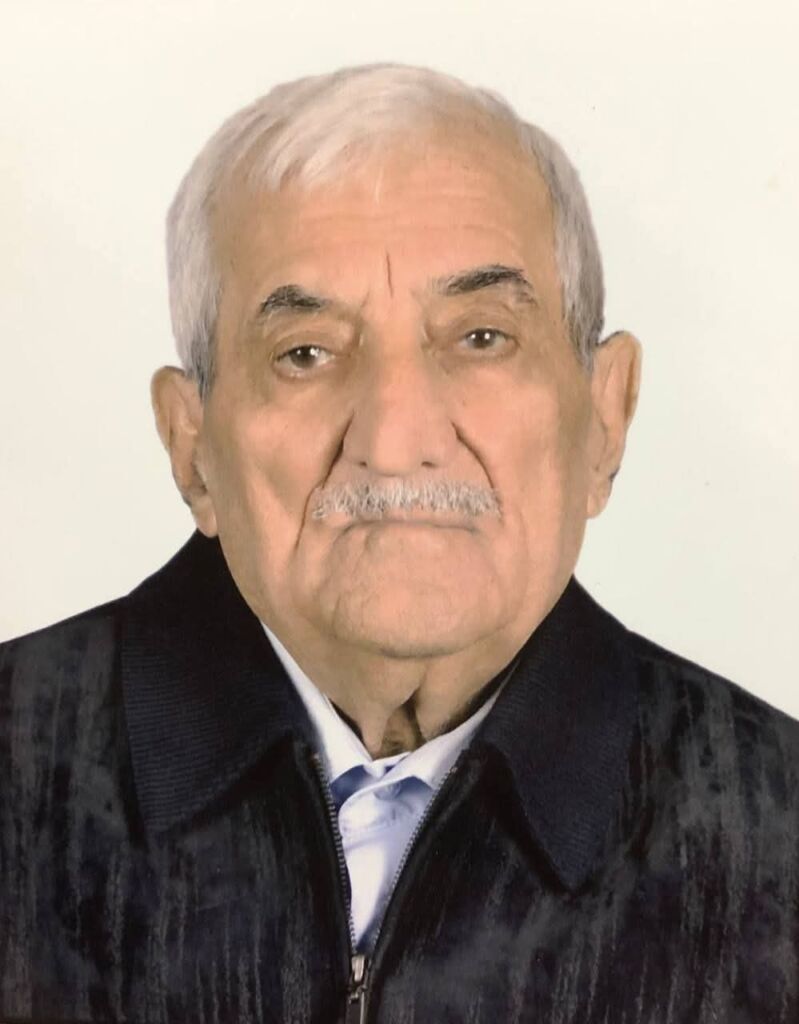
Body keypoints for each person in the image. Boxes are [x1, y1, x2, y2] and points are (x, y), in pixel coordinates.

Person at [0, 63, 796, 1024]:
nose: (394, 436)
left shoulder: (774, 833)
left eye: (480, 338)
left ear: (604, 415)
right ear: (191, 445)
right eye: (305, 354)